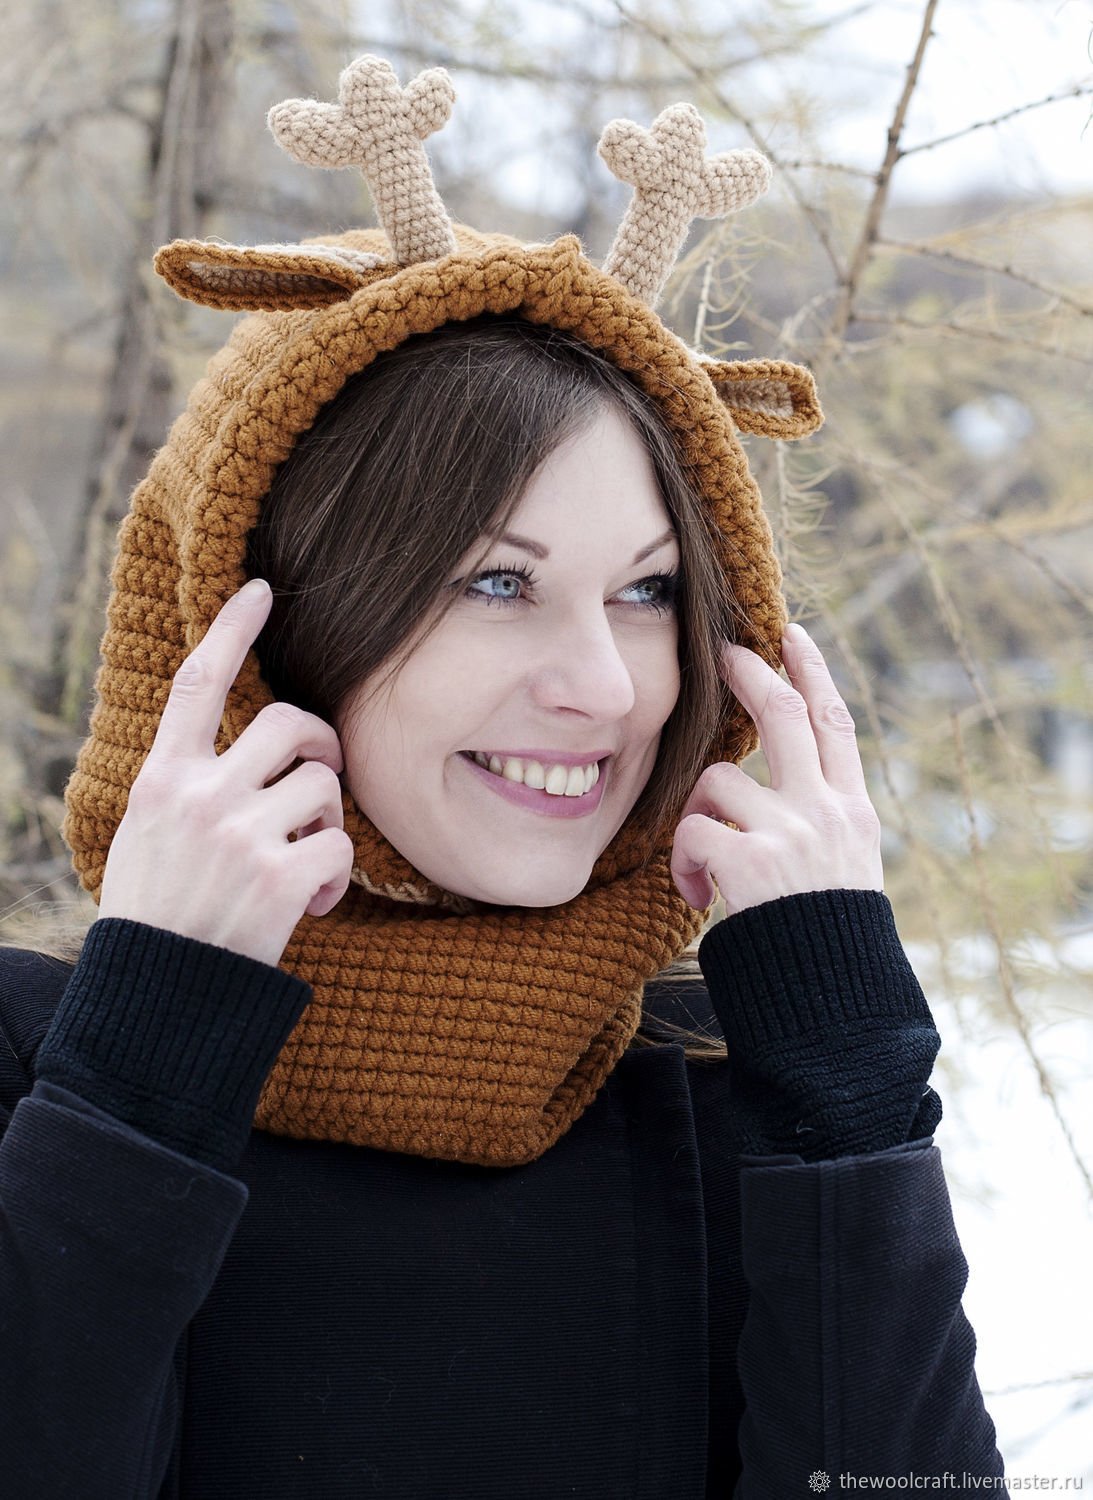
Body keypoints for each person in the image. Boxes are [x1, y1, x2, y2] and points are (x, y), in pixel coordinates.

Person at [0, 55, 1004, 1498]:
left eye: (650, 591)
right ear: (269, 629)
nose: (608, 687)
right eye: (495, 582)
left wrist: (848, 1078)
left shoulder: (736, 1091)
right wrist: (153, 1042)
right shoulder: (49, 1071)